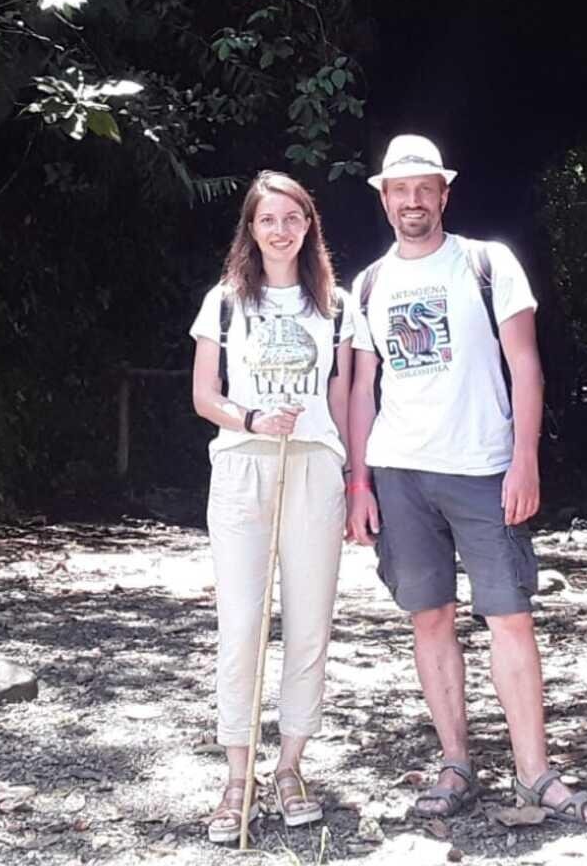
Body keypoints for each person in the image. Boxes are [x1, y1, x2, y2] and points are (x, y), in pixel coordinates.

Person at [344, 135, 587, 826]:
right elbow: (362, 388)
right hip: (400, 470)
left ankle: (535, 774)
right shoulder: (368, 284)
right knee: (428, 617)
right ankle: (455, 764)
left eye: (424, 188)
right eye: (400, 190)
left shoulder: (488, 263)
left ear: (444, 194)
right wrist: (359, 482)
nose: (412, 200)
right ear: (384, 199)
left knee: (509, 617)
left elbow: (525, 365)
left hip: (484, 466)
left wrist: (525, 459)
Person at [189, 171, 354, 843]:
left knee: (310, 622)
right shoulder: (226, 302)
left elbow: (343, 399)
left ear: (309, 225)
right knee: (242, 623)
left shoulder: (337, 305)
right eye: (267, 220)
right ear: (250, 230)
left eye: (292, 218)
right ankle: (238, 777)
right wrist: (253, 418)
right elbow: (205, 395)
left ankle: (290, 767)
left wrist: (355, 475)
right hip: (241, 466)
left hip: (314, 466)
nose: (280, 230)